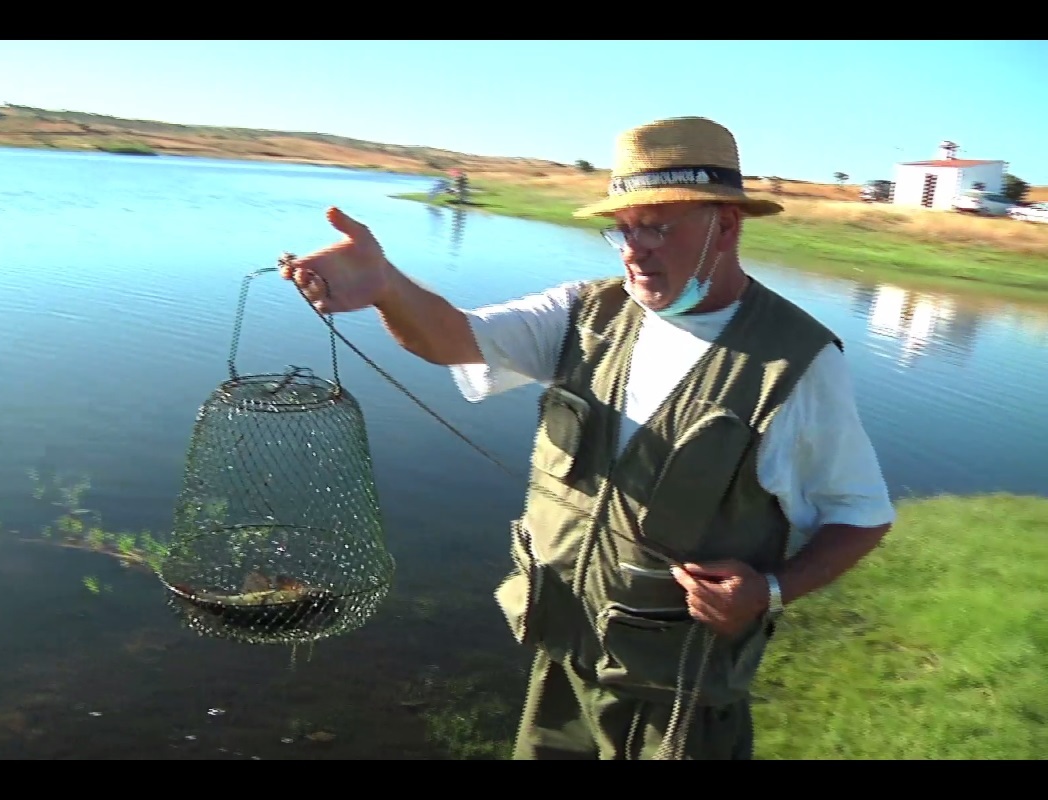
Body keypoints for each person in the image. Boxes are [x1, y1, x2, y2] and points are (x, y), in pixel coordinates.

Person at [278, 116, 895, 760]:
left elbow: (860, 514)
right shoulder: (585, 311)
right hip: (562, 665)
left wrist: (769, 592)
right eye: (624, 228)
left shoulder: (796, 364)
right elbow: (452, 337)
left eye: (659, 225)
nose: (635, 248)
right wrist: (385, 287)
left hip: (678, 699)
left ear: (727, 224)